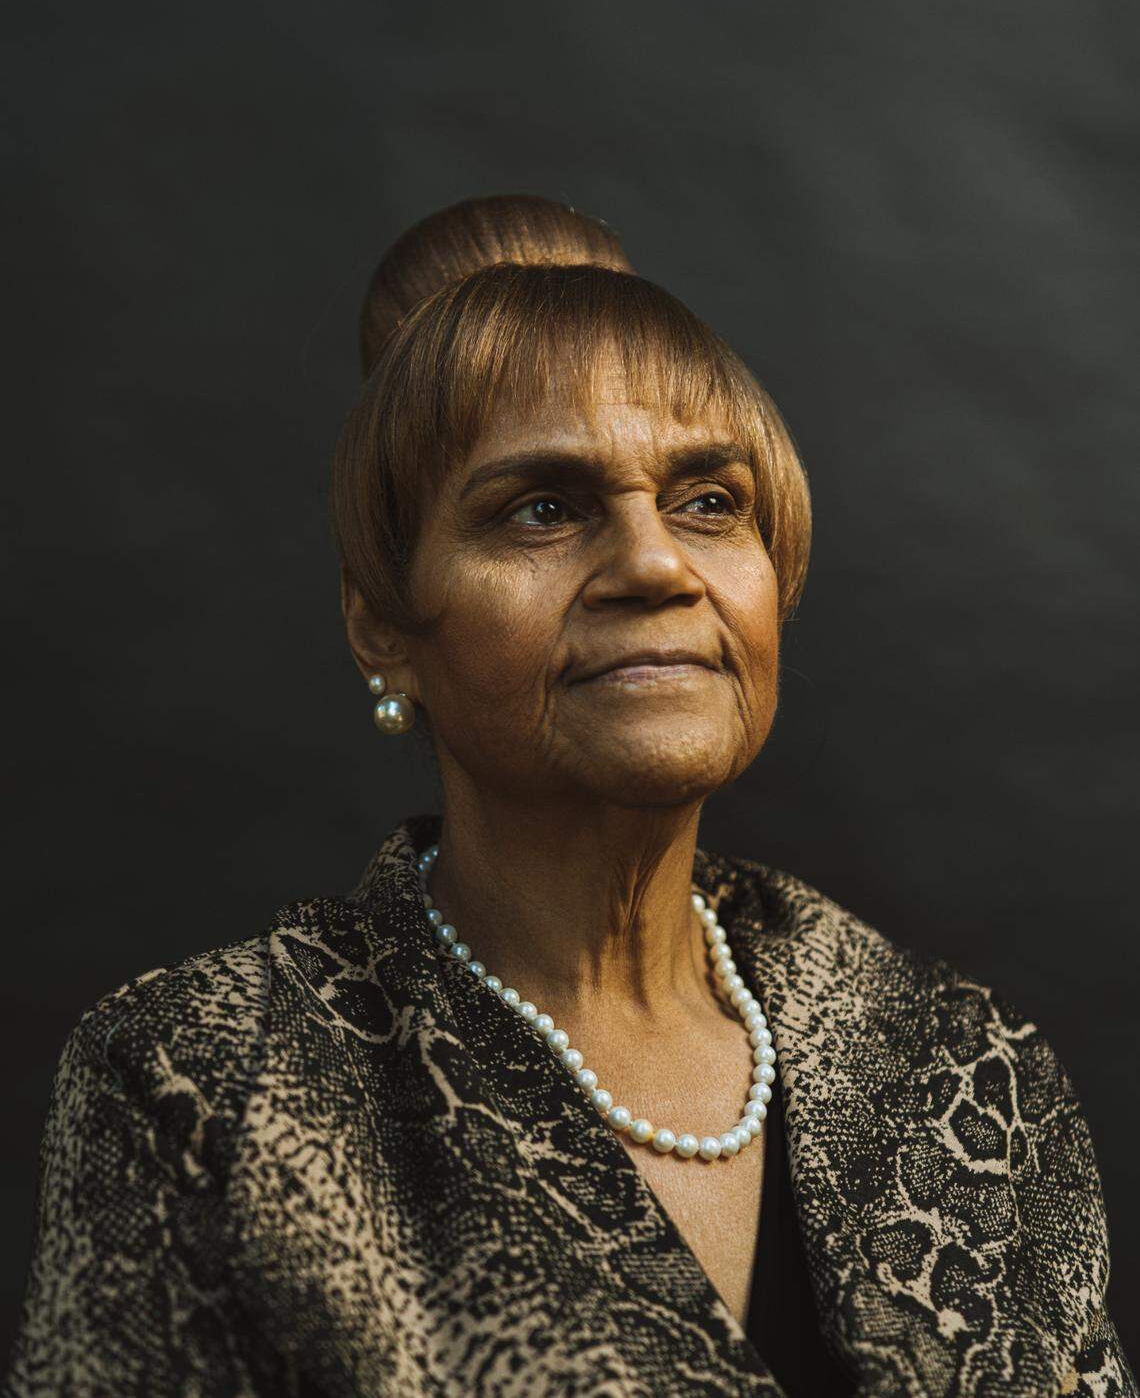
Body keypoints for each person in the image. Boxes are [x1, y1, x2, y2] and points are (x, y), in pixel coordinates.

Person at [5, 195, 1133, 1397]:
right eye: (542, 508)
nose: (656, 562)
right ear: (382, 623)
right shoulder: (204, 1083)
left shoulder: (961, 1061)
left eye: (710, 502)